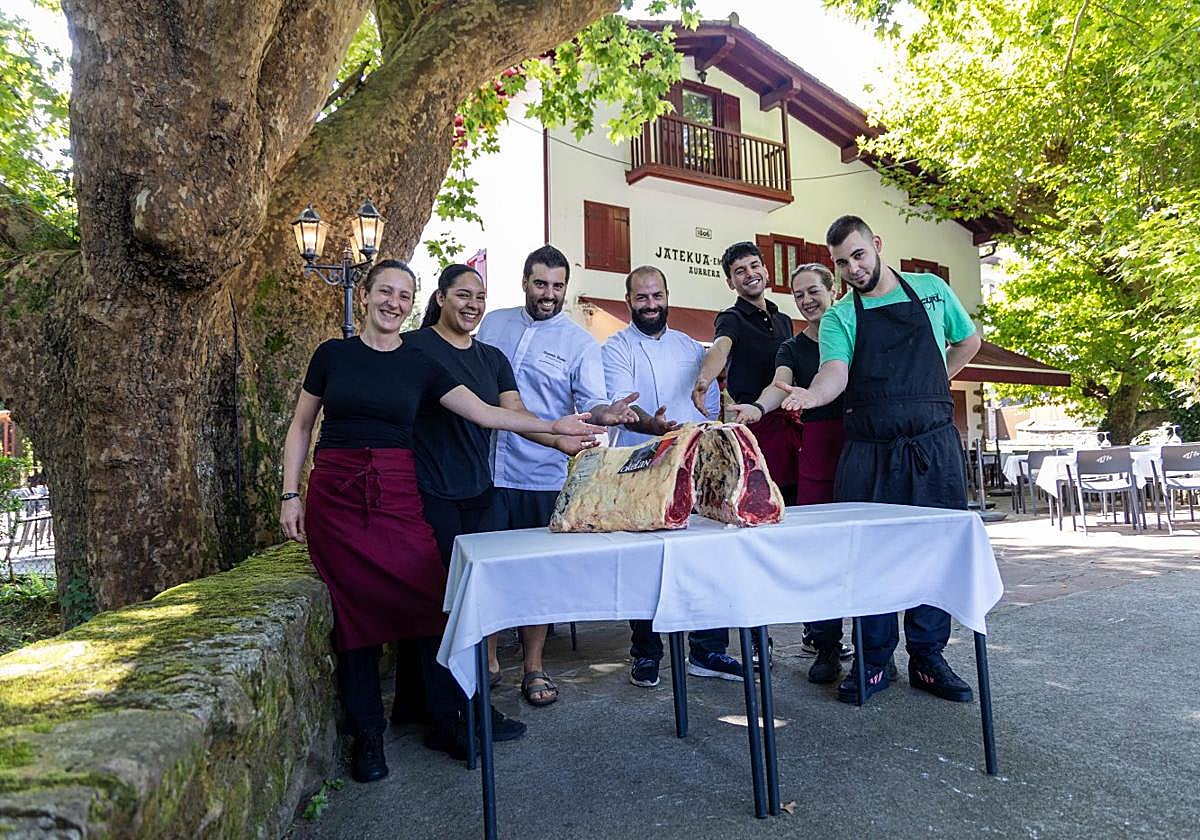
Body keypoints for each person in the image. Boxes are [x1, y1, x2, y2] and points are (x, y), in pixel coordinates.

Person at [279, 259, 602, 782]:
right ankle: (368, 736)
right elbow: (300, 426)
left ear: (413, 303)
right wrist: (290, 495)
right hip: (336, 499)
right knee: (353, 616)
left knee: (435, 602)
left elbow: (486, 412)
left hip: (397, 494)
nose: (393, 302)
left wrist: (556, 428)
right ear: (366, 294)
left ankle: (448, 717)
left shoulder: (420, 362)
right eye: (385, 291)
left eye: (403, 295)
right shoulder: (332, 354)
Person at [776, 216, 982, 704]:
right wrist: (812, 395)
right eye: (842, 262)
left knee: (934, 554)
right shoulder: (840, 318)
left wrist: (936, 382)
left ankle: (928, 658)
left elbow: (968, 341)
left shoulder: (931, 290)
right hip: (869, 453)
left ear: (877, 245)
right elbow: (834, 372)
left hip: (932, 448)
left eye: (859, 255)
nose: (853, 268)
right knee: (872, 558)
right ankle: (874, 660)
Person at [399, 264, 596, 706]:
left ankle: (464, 702)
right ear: (440, 297)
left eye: (479, 297)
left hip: (477, 489)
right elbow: (483, 415)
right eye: (463, 295)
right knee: (436, 598)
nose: (473, 305)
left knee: (477, 592)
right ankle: (436, 706)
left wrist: (559, 441)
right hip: (427, 489)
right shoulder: (414, 347)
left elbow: (515, 414)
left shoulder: (492, 358)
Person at [476, 245, 639, 708]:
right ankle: (488, 660)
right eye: (540, 284)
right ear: (524, 282)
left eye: (557, 286)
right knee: (488, 571)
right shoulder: (493, 324)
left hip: (541, 475)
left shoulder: (579, 342)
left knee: (536, 577)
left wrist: (605, 413)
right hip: (485, 471)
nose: (549, 294)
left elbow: (591, 404)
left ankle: (533, 666)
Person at [602, 265, 745, 687]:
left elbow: (708, 402)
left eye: (657, 296)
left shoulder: (688, 345)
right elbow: (622, 403)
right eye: (642, 297)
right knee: (645, 564)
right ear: (628, 301)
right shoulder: (616, 347)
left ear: (667, 297)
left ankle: (708, 650)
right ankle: (646, 653)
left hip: (693, 463)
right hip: (640, 463)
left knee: (705, 557)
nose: (651, 305)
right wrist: (654, 425)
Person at [728, 263, 851, 684]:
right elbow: (777, 385)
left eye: (814, 290)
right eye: (799, 295)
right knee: (818, 550)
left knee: (863, 547)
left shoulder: (856, 331)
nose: (807, 300)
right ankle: (825, 643)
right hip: (817, 448)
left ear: (833, 290)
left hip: (860, 444)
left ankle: (876, 649)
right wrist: (758, 407)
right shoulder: (791, 348)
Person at [692, 241, 803, 503]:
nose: (750, 273)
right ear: (730, 283)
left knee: (799, 499)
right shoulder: (731, 318)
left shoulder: (784, 320)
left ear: (766, 271)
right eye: (740, 271)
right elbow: (720, 348)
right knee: (763, 499)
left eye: (754, 266)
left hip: (791, 424)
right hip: (755, 426)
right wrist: (705, 379)